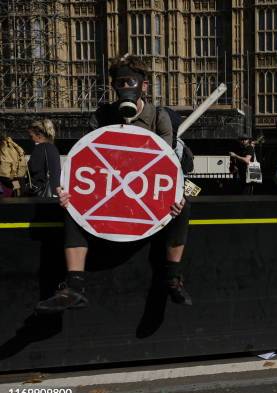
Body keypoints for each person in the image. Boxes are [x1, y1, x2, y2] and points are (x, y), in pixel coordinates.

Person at [35, 54, 192, 314]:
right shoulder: (102, 115)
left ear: (144, 85)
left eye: (131, 82)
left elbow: (168, 166)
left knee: (185, 205)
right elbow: (87, 162)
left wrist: (173, 198)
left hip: (145, 197)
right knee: (72, 207)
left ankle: (172, 277)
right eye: (120, 83)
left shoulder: (159, 117)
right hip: (109, 195)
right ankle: (74, 287)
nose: (125, 88)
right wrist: (67, 191)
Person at [26, 119, 61, 196]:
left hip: (42, 193)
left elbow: (33, 170)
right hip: (54, 191)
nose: (31, 139)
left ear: (39, 136)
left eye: (31, 136)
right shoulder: (53, 148)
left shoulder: (39, 149)